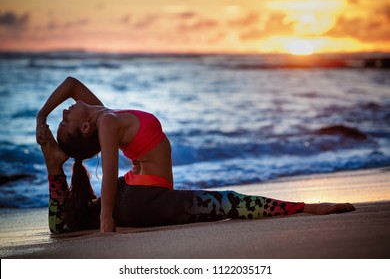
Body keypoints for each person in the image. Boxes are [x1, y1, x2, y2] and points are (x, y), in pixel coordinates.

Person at [36, 76, 356, 234]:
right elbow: (109, 167)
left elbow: (71, 84)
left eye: (61, 118)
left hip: (134, 191)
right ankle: (305, 208)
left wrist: (41, 117)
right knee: (226, 202)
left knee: (72, 221)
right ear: (87, 129)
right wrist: (107, 218)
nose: (64, 113)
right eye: (64, 122)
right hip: (142, 197)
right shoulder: (106, 121)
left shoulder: (101, 111)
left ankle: (55, 168)